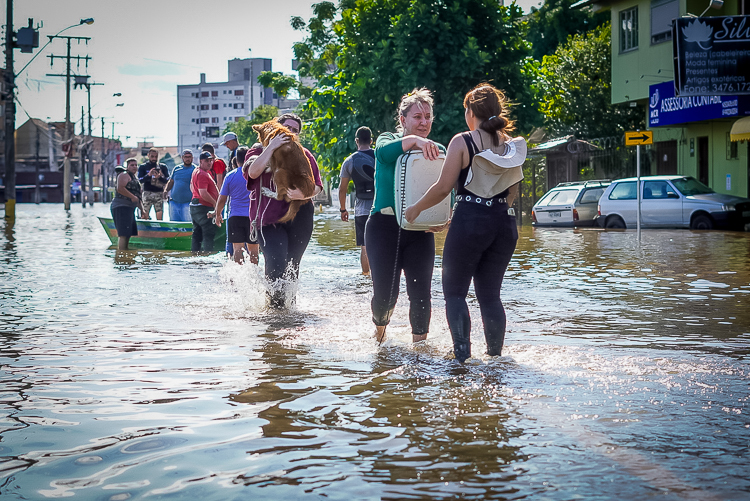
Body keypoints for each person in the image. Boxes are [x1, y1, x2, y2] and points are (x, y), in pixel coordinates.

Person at [405, 83, 523, 362]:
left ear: (472, 112)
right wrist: (493, 214)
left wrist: (415, 209)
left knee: (455, 293)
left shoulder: (462, 141)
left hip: (470, 220)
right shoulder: (511, 146)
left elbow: (443, 187)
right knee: (491, 296)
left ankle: (461, 358)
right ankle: (495, 358)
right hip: (505, 225)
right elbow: (513, 192)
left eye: (465, 110)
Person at [364, 88, 446, 344]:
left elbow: (445, 187)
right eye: (417, 117)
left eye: (428, 117)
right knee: (387, 295)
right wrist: (415, 142)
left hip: (419, 229)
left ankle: (419, 351)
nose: (424, 123)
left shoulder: (437, 149)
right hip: (383, 227)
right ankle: (379, 335)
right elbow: (383, 154)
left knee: (421, 294)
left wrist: (445, 218)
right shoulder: (387, 140)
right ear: (403, 120)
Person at [243, 113, 323, 308]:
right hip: (268, 220)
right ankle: (274, 310)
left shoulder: (303, 154)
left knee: (292, 266)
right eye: (287, 128)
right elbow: (253, 173)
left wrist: (301, 195)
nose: (290, 133)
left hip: (300, 216)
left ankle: (290, 309)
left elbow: (318, 187)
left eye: (295, 130)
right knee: (276, 262)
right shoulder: (256, 152)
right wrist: (271, 146)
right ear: (277, 128)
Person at [212, 146, 259, 264]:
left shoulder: (230, 176)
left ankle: (238, 275)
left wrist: (218, 215)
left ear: (236, 160)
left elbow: (222, 199)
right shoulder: (256, 175)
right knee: (254, 250)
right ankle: (253, 276)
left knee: (237, 249)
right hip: (253, 218)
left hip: (235, 217)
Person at [339, 126, 375, 275]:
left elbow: (342, 189)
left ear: (356, 141)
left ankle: (365, 277)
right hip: (382, 206)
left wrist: (343, 209)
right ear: (372, 141)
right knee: (383, 244)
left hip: (361, 209)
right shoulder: (381, 157)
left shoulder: (349, 161)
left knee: (365, 246)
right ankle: (378, 279)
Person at [110, 158, 144, 250]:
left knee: (128, 233)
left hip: (130, 208)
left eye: (136, 165)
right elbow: (120, 188)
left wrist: (143, 211)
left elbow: (138, 198)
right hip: (121, 206)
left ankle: (126, 254)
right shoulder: (124, 175)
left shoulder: (135, 178)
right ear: (127, 166)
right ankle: (121, 254)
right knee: (123, 234)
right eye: (132, 165)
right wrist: (132, 197)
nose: (134, 167)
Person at [189, 151, 220, 253]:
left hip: (196, 205)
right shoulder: (202, 174)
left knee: (197, 233)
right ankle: (208, 257)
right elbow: (203, 193)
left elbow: (191, 187)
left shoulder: (196, 171)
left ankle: (195, 256)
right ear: (200, 161)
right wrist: (215, 203)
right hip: (204, 207)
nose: (209, 163)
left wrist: (196, 195)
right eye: (207, 160)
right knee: (208, 233)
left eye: (211, 160)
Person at [164, 149, 196, 222]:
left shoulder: (195, 169)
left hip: (188, 203)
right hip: (174, 202)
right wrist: (166, 191)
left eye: (189, 157)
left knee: (187, 224)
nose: (187, 159)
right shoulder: (176, 168)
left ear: (192, 158)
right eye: (186, 157)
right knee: (174, 224)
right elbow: (171, 181)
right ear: (182, 158)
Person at [138, 148, 170, 220]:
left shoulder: (162, 167)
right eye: (152, 156)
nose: (154, 158)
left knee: (159, 217)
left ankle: (158, 230)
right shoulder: (143, 167)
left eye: (156, 156)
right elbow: (140, 180)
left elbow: (167, 180)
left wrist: (160, 177)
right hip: (147, 193)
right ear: (148, 155)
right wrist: (148, 175)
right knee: (144, 215)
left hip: (158, 193)